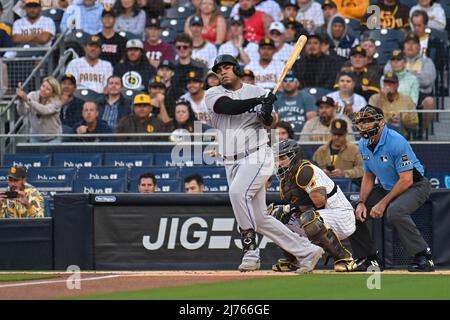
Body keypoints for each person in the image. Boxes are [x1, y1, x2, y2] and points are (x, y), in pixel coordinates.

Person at [205, 54, 324, 273]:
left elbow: (272, 122)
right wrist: (260, 102)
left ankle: (250, 251)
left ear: (237, 69)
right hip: (230, 160)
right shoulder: (213, 93)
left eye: (226, 67)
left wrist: (267, 112)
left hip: (257, 155)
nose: (222, 72)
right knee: (259, 218)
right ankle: (307, 251)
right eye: (218, 69)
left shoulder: (257, 91)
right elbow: (228, 106)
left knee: (237, 193)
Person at [350, 105, 435, 272]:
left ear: (381, 122)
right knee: (352, 215)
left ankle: (423, 256)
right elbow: (368, 176)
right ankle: (370, 259)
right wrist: (361, 202)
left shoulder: (396, 141)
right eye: (362, 122)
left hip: (415, 185)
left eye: (369, 121)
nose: (365, 125)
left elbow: (406, 180)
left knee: (395, 211)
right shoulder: (362, 143)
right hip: (388, 187)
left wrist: (382, 204)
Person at [269, 139, 361, 272]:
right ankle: (295, 258)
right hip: (323, 217)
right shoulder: (286, 178)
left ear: (294, 157)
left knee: (308, 217)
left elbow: (320, 202)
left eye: (282, 158)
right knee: (275, 216)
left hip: (341, 216)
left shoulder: (305, 171)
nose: (279, 163)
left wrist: (292, 208)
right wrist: (289, 210)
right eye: (277, 159)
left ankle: (344, 258)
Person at [403, 32, 436, 139]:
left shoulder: (427, 61)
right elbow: (388, 74)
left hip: (421, 94)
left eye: (414, 43)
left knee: (430, 102)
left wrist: (406, 75)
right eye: (408, 43)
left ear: (419, 46)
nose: (410, 46)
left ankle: (421, 132)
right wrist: (415, 74)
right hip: (402, 94)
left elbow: (427, 80)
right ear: (404, 46)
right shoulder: (397, 60)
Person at [368, 71, 418, 136]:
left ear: (397, 85)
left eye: (392, 83)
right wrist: (381, 99)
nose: (388, 85)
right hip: (379, 136)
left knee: (396, 126)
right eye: (386, 83)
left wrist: (402, 122)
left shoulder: (407, 100)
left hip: (401, 136)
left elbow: (415, 125)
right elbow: (370, 120)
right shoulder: (374, 98)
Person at [16, 76, 62, 143]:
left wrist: (27, 100)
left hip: (53, 138)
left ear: (53, 93)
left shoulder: (57, 101)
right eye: (43, 86)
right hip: (35, 137)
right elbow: (22, 112)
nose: (43, 89)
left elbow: (44, 110)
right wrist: (21, 101)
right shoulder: (32, 95)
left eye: (48, 89)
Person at [273, 69, 316, 135]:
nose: (288, 83)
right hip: (282, 135)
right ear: (281, 84)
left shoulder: (307, 98)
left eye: (291, 80)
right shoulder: (275, 99)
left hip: (303, 134)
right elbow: (273, 123)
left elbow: (312, 122)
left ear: (297, 83)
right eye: (285, 80)